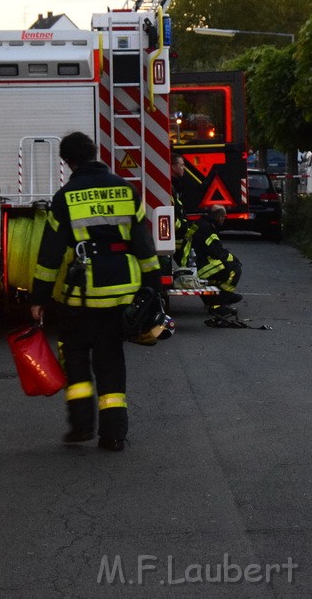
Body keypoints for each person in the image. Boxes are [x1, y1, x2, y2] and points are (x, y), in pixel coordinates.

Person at [30, 132, 161, 452]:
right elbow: (144, 247)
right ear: (94, 153)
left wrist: (39, 298)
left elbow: (49, 256)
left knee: (74, 356)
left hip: (82, 295)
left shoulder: (64, 197)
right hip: (122, 293)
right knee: (111, 361)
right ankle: (114, 434)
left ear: (69, 162)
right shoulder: (127, 191)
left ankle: (81, 426)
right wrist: (154, 292)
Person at [180, 204, 243, 315]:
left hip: (190, 265)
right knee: (234, 269)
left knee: (220, 271)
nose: (224, 220)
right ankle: (220, 304)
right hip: (197, 267)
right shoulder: (208, 229)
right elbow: (217, 252)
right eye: (224, 217)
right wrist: (234, 259)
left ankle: (215, 299)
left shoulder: (200, 224)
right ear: (219, 217)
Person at [170, 151, 193, 264]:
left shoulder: (177, 185)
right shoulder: (169, 187)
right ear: (173, 167)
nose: (184, 168)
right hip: (176, 237)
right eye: (181, 165)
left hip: (178, 239)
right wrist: (184, 225)